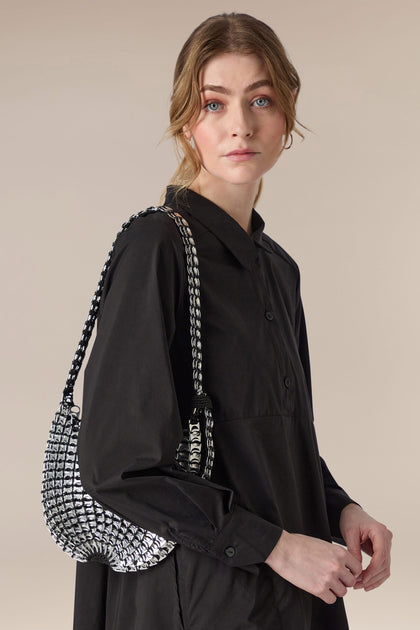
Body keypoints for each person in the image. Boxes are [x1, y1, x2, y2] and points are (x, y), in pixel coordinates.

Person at [73, 12, 392, 630]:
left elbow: (274, 439)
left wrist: (339, 508)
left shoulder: (278, 268)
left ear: (286, 116)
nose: (241, 125)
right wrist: (275, 546)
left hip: (297, 592)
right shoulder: (156, 248)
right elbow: (119, 465)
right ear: (186, 122)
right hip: (199, 598)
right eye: (214, 103)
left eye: (261, 99)